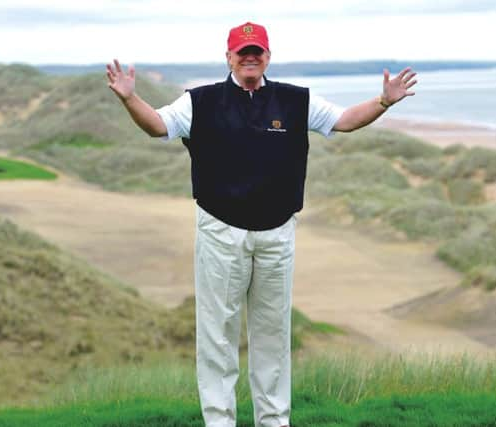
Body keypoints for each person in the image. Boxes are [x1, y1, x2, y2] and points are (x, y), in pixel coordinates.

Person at [106, 21, 416, 427]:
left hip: (277, 233)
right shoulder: (198, 102)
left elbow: (344, 120)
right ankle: (220, 421)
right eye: (242, 51)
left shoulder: (294, 100)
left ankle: (274, 421)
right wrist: (131, 100)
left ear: (268, 56)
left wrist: (384, 101)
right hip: (221, 231)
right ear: (229, 56)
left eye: (257, 51)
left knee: (272, 334)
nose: (250, 57)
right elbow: (158, 126)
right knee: (218, 334)